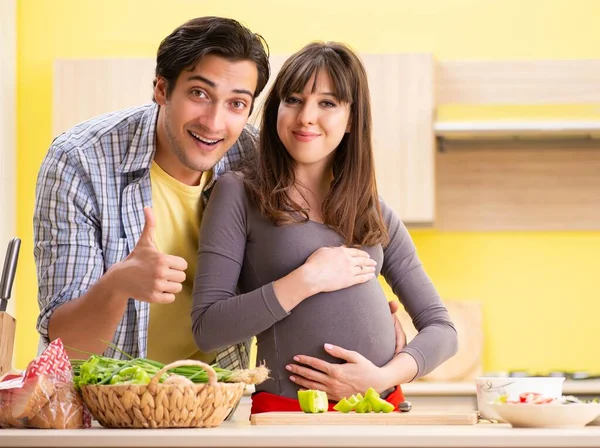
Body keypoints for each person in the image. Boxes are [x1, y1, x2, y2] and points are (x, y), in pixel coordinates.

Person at [34, 17, 404, 380]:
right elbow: (67, 347)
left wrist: (373, 336)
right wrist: (118, 285)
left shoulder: (257, 159)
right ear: (162, 89)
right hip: (106, 413)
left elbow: (311, 258)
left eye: (236, 103)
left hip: (214, 408)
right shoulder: (80, 161)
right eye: (199, 94)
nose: (213, 122)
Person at [191, 41, 458, 413]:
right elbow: (208, 328)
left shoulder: (373, 211)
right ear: (275, 110)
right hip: (289, 415)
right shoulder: (238, 193)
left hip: (382, 408)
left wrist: (381, 378)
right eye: (293, 100)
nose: (305, 117)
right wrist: (307, 280)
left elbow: (443, 330)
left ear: (351, 120)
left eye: (327, 103)